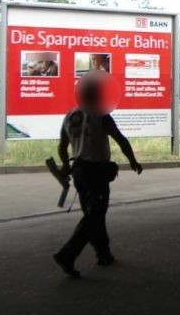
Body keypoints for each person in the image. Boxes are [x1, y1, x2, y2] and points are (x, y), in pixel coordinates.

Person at [53, 74, 142, 278]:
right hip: (96, 172)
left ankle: (104, 253)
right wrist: (133, 161)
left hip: (79, 172)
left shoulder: (70, 116)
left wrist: (66, 166)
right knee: (94, 216)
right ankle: (67, 253)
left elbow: (62, 147)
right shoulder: (101, 115)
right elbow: (120, 139)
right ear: (96, 94)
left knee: (94, 214)